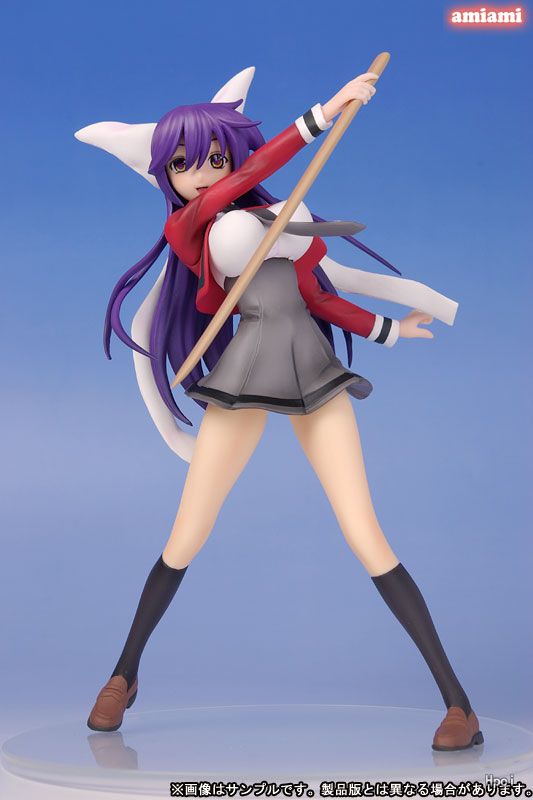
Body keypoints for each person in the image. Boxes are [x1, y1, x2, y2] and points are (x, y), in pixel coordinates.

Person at [76, 67, 482, 751]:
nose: (201, 174)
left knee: (366, 535)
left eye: (213, 159)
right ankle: (124, 674)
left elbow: (319, 297)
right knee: (187, 533)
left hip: (314, 377)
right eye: (182, 164)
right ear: (165, 175)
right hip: (244, 375)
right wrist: (322, 113)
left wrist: (389, 329)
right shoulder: (189, 224)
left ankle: (459, 706)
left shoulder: (280, 223)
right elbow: (248, 176)